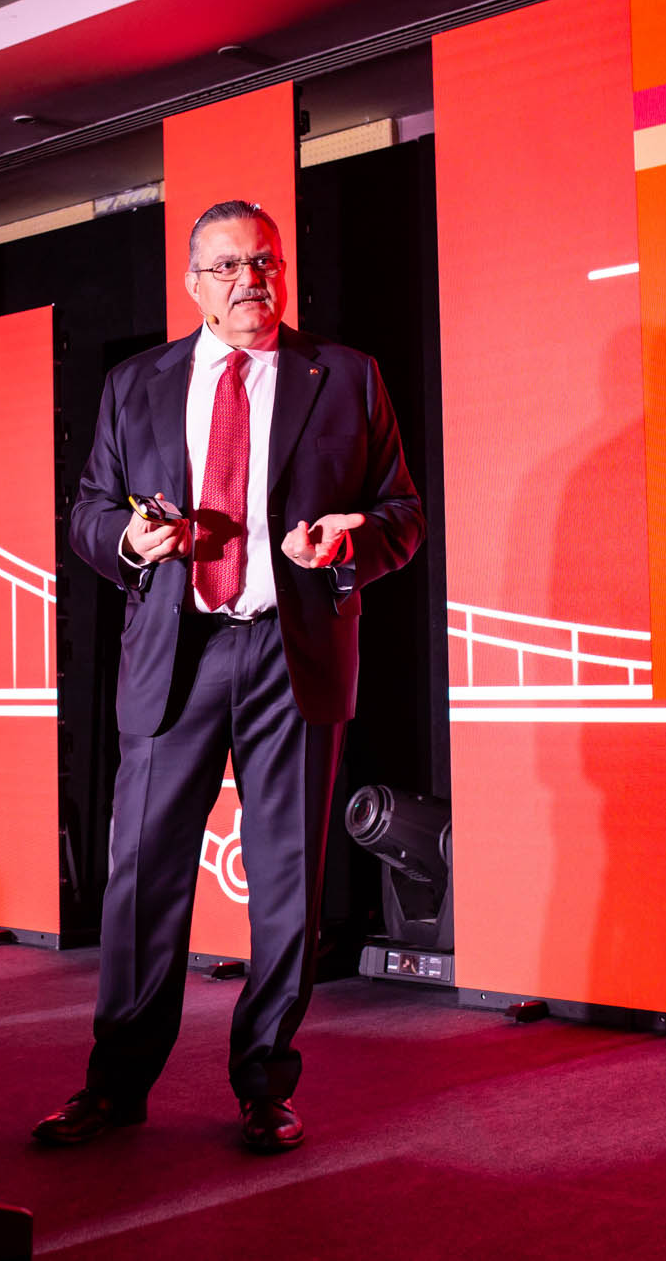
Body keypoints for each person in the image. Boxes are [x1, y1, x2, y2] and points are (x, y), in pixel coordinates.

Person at [34, 199, 424, 1152]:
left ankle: (265, 1083)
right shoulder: (135, 383)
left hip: (293, 652)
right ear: (194, 284)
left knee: (287, 879)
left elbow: (401, 513)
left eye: (267, 263)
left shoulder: (348, 377)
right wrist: (130, 540)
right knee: (141, 877)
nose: (253, 282)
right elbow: (89, 510)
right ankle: (117, 1085)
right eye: (232, 267)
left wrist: (349, 542)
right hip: (178, 652)